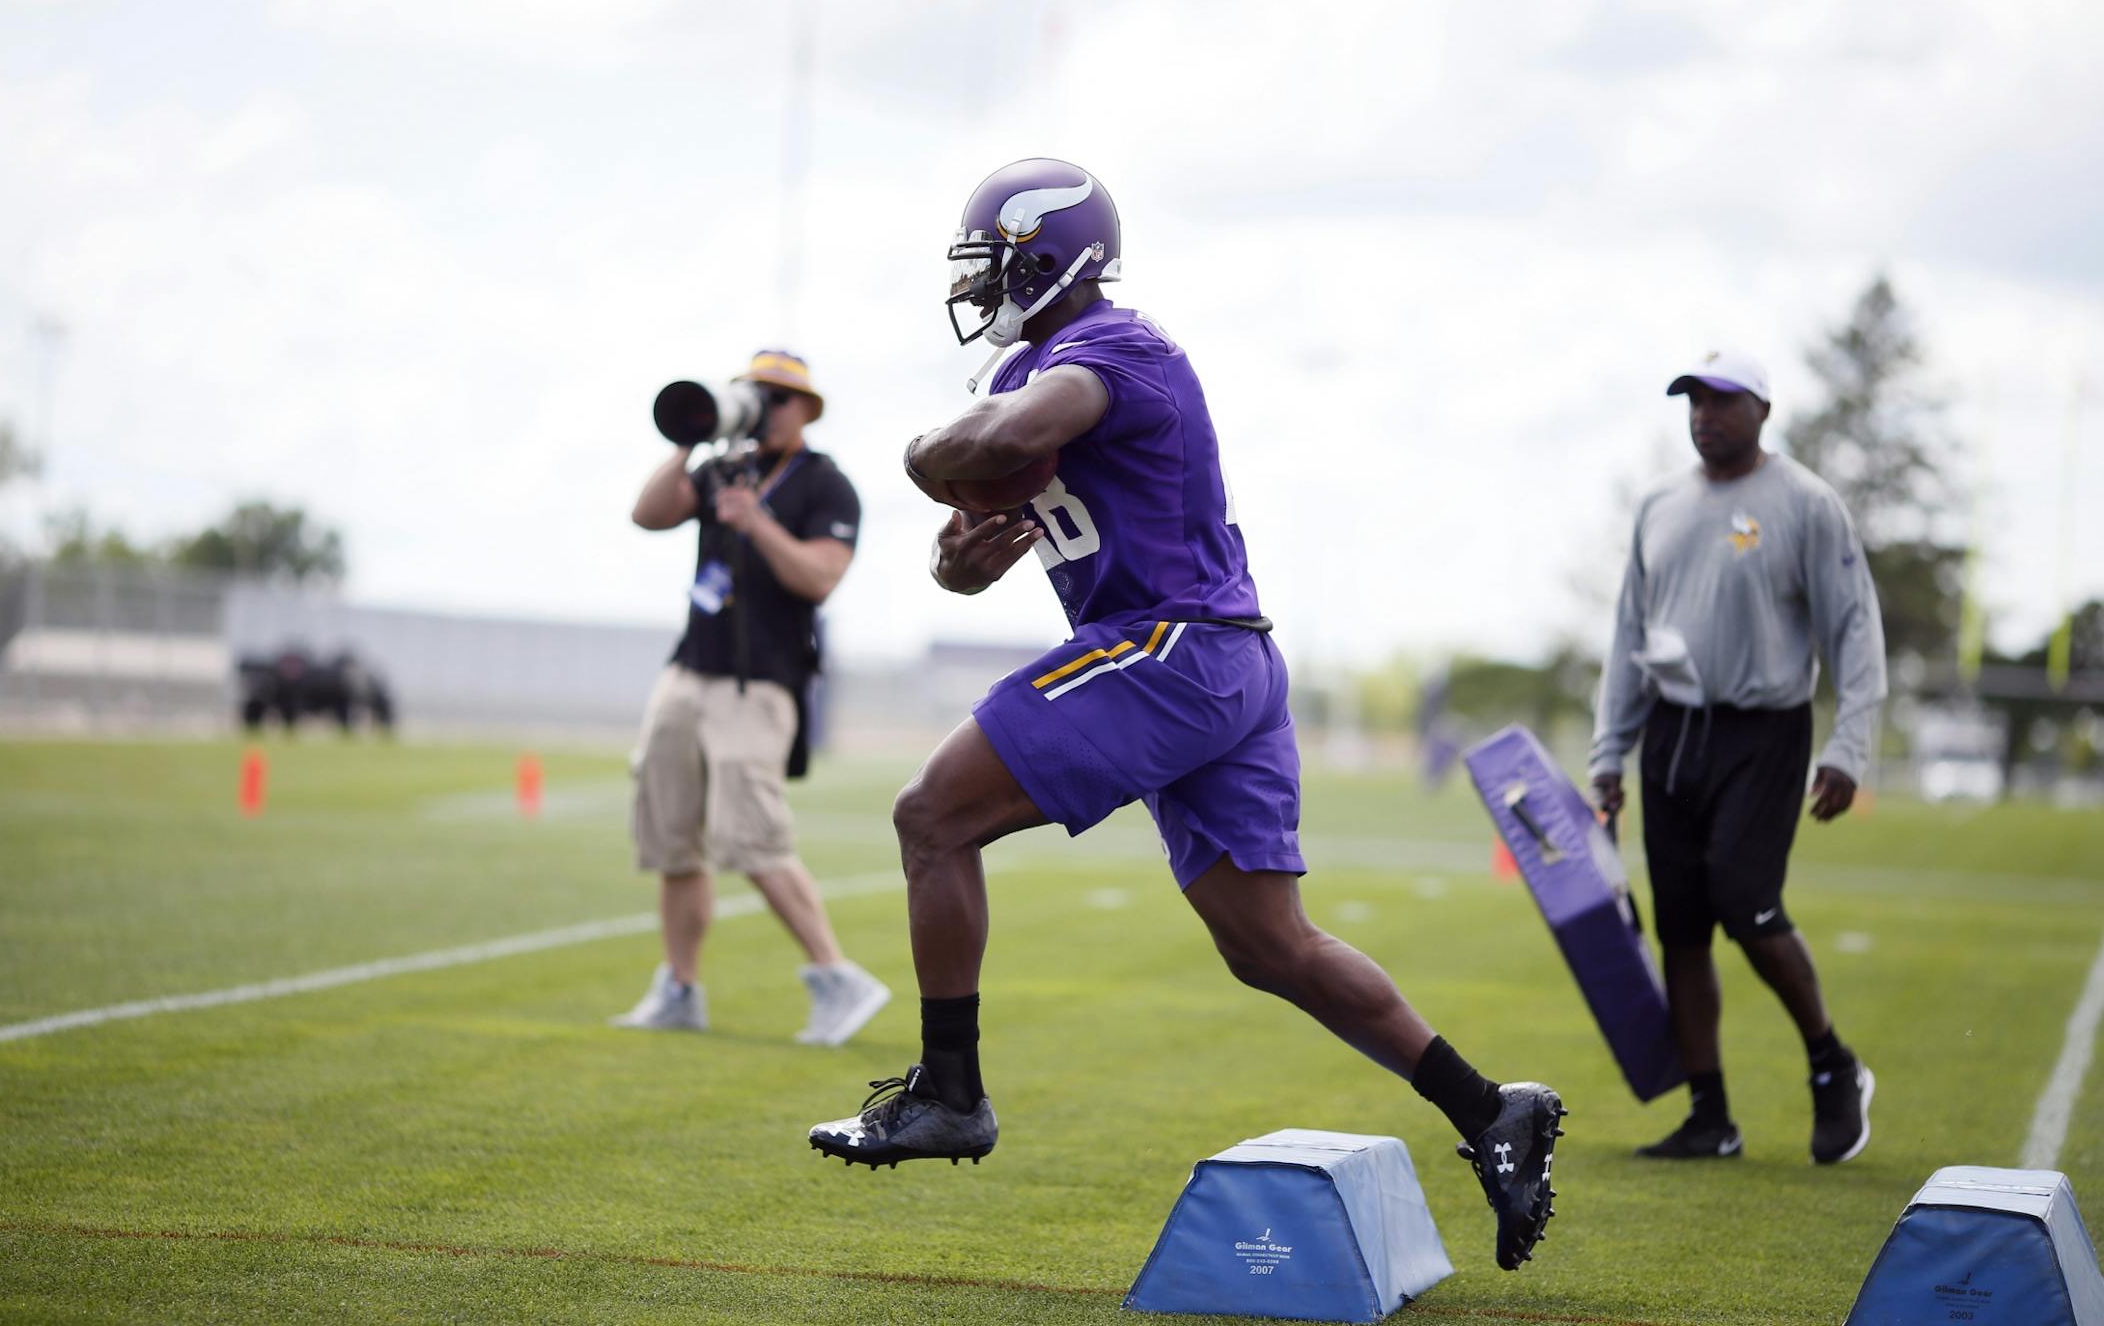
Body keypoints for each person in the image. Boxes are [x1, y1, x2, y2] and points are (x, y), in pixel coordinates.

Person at [804, 159, 1563, 1273]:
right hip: (1222, 658)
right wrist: (953, 559)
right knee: (1270, 946)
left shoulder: (1114, 350)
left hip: (1176, 648)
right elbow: (967, 539)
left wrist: (919, 452)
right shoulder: (1033, 369)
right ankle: (1492, 1109)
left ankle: (950, 1090)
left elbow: (996, 447)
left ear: (1048, 255)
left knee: (933, 815)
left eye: (990, 264)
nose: (975, 288)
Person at [1589, 350, 1886, 1165]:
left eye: (1721, 401)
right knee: (1682, 929)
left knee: (1746, 904)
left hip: (1764, 734)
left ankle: (1832, 1065)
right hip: (1670, 734)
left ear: (1763, 409)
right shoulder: (1659, 505)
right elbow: (1627, 636)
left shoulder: (1806, 504)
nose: (1703, 415)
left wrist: (1849, 747)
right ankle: (1710, 1117)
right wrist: (1609, 751)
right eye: (1693, 400)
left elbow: (1854, 630)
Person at [614, 350, 891, 1048]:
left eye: (779, 397)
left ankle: (837, 977)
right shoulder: (718, 468)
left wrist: (757, 523)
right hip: (689, 670)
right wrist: (691, 439)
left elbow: (821, 577)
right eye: (754, 393)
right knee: (672, 836)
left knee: (753, 837)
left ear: (807, 410)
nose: (765, 406)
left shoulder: (826, 484)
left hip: (760, 681)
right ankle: (679, 988)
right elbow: (648, 514)